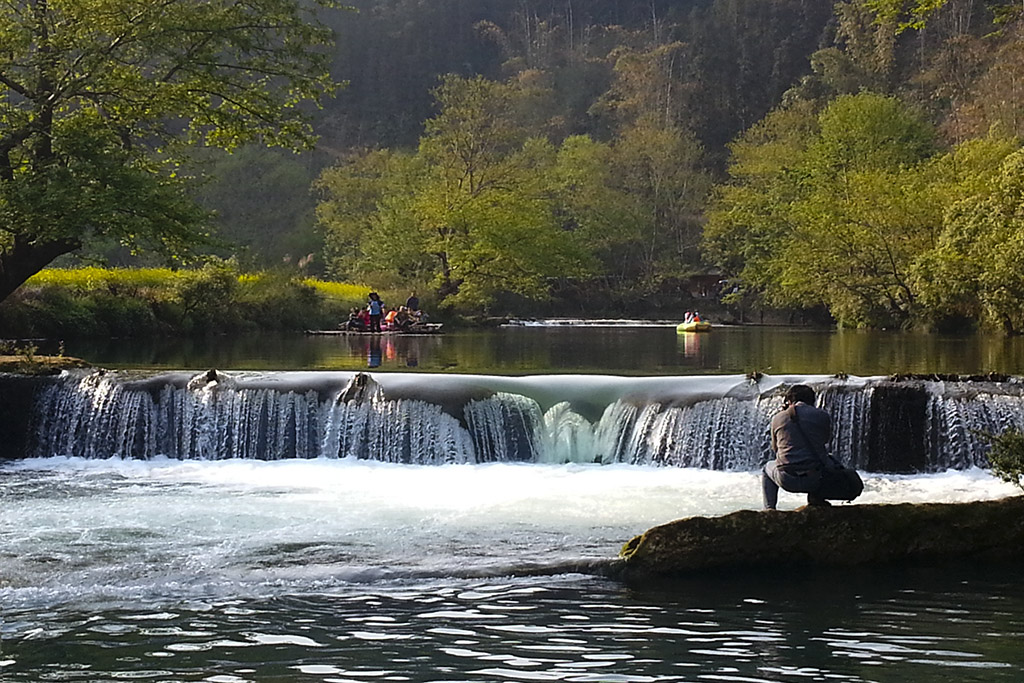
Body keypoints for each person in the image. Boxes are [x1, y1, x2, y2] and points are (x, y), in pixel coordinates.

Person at [762, 384, 863, 510]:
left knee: (766, 468)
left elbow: (775, 449)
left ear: (788, 401)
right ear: (812, 401)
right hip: (814, 479)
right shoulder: (822, 415)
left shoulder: (778, 417)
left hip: (787, 479)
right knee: (826, 460)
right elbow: (825, 440)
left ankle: (769, 509)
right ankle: (816, 499)